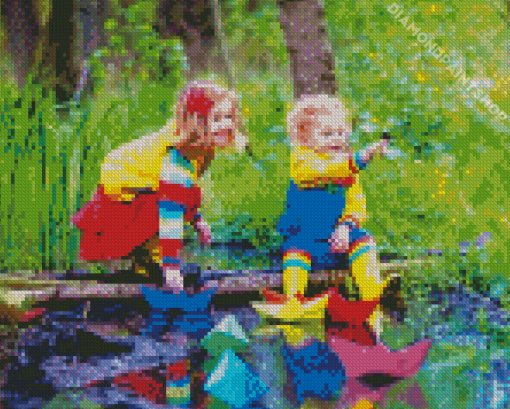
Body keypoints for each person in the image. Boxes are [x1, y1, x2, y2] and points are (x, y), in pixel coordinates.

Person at [72, 80, 247, 292]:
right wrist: (171, 266)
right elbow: (171, 210)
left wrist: (196, 219)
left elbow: (186, 190)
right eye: (217, 118)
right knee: (163, 209)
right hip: (122, 197)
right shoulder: (177, 155)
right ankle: (154, 264)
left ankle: (146, 265)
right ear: (196, 123)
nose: (226, 124)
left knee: (169, 201)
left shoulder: (200, 149)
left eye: (228, 117)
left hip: (143, 190)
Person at [278, 94, 395, 340]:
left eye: (341, 133)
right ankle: (294, 299)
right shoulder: (303, 162)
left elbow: (356, 202)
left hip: (338, 237)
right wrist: (360, 159)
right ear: (305, 138)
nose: (337, 139)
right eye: (328, 134)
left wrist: (346, 226)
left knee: (363, 240)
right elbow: (323, 172)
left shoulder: (347, 166)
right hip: (308, 237)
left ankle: (372, 293)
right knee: (295, 252)